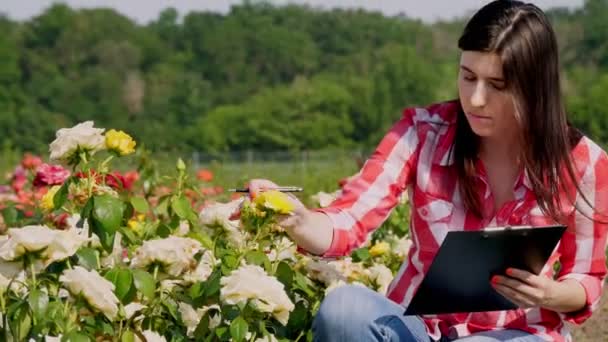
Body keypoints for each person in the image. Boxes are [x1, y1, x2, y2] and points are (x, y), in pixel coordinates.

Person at [246, 1, 608, 341]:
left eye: (497, 85)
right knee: (344, 309)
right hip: (419, 329)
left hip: (517, 332)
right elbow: (351, 218)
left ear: (535, 87)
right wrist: (299, 220)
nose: (476, 99)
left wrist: (551, 293)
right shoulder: (423, 133)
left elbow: (586, 277)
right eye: (467, 77)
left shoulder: (583, 163)